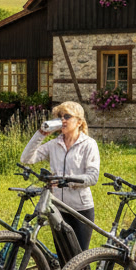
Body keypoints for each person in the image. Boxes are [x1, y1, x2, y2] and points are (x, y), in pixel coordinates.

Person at [20, 101, 101, 250]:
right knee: (64, 255)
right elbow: (26, 159)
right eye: (60, 117)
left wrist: (67, 181)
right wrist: (40, 135)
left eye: (67, 116)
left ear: (79, 122)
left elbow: (93, 176)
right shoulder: (53, 144)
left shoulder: (89, 144)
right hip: (58, 209)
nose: (62, 120)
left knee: (79, 257)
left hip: (80, 209)